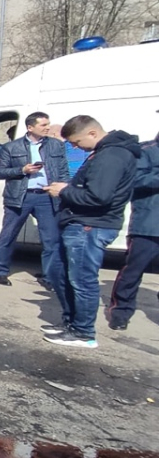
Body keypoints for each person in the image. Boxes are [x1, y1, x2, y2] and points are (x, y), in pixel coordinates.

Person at [42, 116, 141, 348]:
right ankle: (72, 323)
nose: (75, 148)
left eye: (76, 142)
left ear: (93, 134)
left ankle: (83, 332)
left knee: (82, 280)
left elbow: (98, 196)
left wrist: (64, 191)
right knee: (60, 272)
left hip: (91, 225)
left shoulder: (112, 156)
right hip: (83, 223)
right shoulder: (106, 152)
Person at [0, 111, 69, 289]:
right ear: (30, 127)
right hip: (20, 196)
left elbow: (63, 170)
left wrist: (62, 188)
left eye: (48, 124)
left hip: (46, 196)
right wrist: (22, 170)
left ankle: (49, 277)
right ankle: (1, 271)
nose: (48, 127)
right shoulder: (12, 147)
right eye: (43, 125)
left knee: (51, 239)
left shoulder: (56, 146)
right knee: (8, 235)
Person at [105, 128, 159, 330]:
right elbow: (134, 180)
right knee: (133, 271)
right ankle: (120, 312)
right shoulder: (146, 150)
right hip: (149, 224)